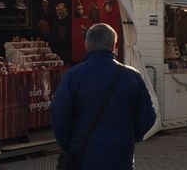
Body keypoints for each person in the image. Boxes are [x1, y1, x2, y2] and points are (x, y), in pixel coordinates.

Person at [51, 23, 156, 170]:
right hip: (122, 157)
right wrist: (129, 137)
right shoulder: (132, 76)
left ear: (86, 45)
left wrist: (70, 144)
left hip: (83, 157)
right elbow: (148, 116)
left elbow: (59, 116)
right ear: (114, 45)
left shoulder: (72, 76)